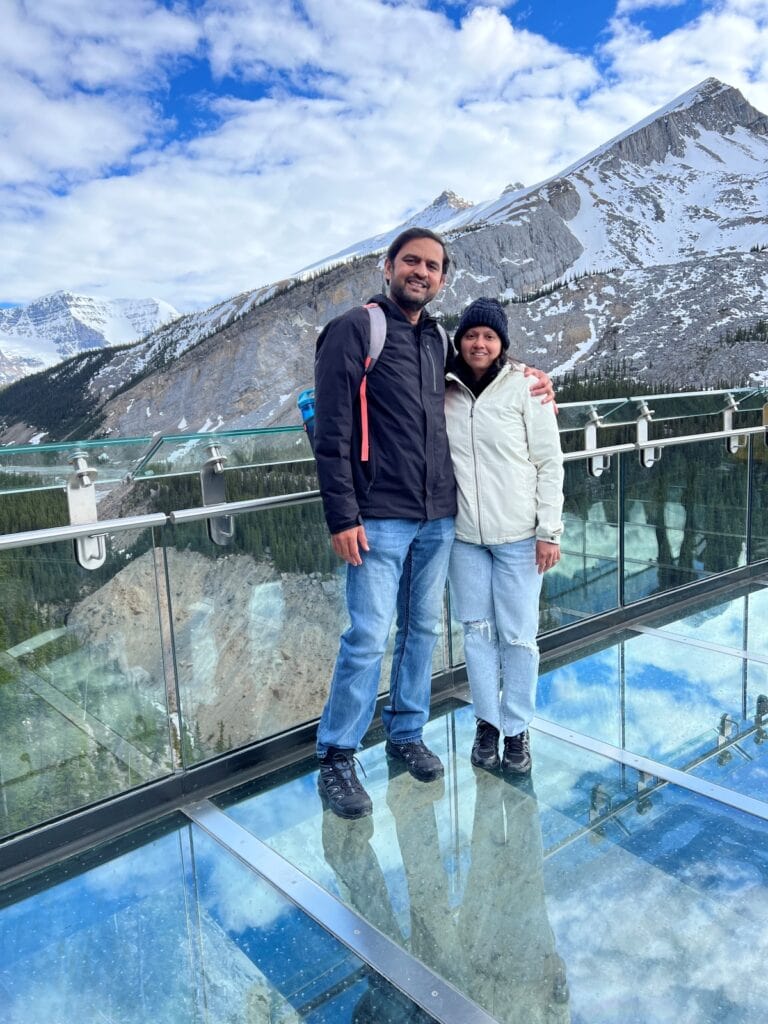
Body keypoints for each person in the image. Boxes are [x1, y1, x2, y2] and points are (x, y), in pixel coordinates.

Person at [313, 232, 553, 818]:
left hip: (439, 517)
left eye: (432, 266)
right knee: (368, 635)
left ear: (442, 279)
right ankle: (337, 755)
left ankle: (405, 733)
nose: (421, 272)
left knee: (421, 630)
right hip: (378, 517)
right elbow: (333, 430)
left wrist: (534, 376)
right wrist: (342, 514)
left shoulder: (437, 339)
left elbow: (483, 371)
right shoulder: (357, 328)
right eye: (411, 262)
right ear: (388, 266)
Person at [445, 297, 564, 776]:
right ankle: (487, 723)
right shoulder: (443, 389)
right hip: (463, 537)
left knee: (517, 636)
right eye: (471, 335)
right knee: (476, 634)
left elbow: (549, 462)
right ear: (459, 340)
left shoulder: (526, 388)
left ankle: (517, 729)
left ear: (502, 343)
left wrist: (548, 530)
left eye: (489, 336)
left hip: (519, 536)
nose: (479, 343)